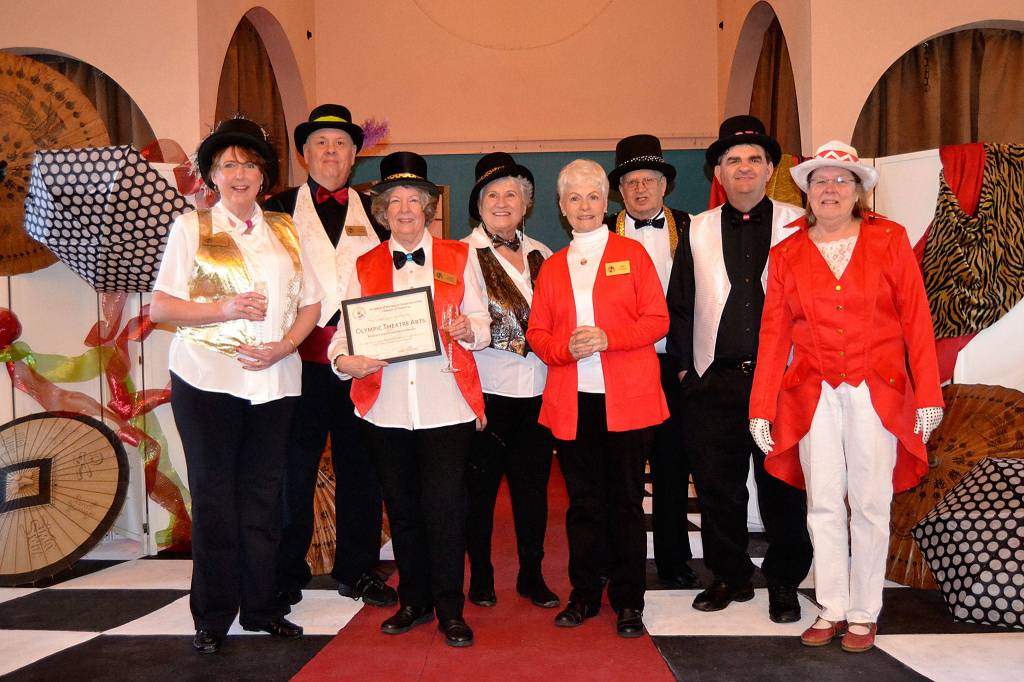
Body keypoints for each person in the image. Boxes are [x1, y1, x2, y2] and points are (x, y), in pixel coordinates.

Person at [748, 140, 944, 653]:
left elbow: (916, 322)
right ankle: (832, 606)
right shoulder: (786, 252)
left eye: (841, 180)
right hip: (814, 393)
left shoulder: (890, 240)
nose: (829, 189)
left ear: (858, 191)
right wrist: (761, 405)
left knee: (871, 502)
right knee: (823, 504)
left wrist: (928, 396)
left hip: (876, 390)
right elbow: (774, 335)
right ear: (806, 192)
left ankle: (864, 612)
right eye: (820, 181)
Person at [150, 117, 323, 653]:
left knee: (265, 498)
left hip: (275, 382)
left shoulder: (286, 229)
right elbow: (160, 307)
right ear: (212, 176)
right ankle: (213, 614)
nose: (240, 173)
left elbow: (312, 303)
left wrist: (285, 345)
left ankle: (262, 606)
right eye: (228, 164)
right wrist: (221, 308)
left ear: (263, 175)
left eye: (249, 163)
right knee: (215, 497)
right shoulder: (191, 228)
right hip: (208, 380)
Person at [327, 152, 491, 648]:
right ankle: (414, 601)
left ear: (428, 208)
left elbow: (483, 326)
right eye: (393, 201)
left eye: (412, 201)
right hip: (388, 408)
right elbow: (341, 337)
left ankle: (450, 609)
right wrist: (343, 363)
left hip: (447, 405)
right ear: (382, 212)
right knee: (402, 510)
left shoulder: (462, 258)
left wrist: (468, 329)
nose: (403, 209)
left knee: (444, 510)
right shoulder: (364, 264)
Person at [666, 115, 812, 623]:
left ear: (770, 169)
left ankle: (784, 582)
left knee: (781, 485)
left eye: (754, 159)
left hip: (781, 379)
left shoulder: (801, 221)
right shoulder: (698, 228)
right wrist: (686, 370)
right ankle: (730, 575)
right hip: (714, 380)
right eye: (733, 160)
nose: (744, 167)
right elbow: (680, 304)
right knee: (716, 486)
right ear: (719, 173)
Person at [527, 159, 668, 638]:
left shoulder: (633, 254)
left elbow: (658, 320)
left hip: (628, 397)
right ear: (562, 208)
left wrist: (610, 338)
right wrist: (563, 348)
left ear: (605, 202)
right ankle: (584, 594)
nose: (584, 206)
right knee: (583, 504)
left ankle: (629, 601)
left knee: (627, 502)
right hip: (574, 399)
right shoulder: (551, 267)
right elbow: (538, 334)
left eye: (592, 196)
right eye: (573, 198)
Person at [262, 104, 395, 613]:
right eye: (321, 143)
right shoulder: (274, 208)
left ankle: (358, 569)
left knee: (361, 468)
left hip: (360, 361)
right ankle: (285, 571)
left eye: (341, 143)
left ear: (356, 154)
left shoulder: (377, 211)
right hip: (295, 362)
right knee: (291, 469)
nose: (331, 152)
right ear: (304, 153)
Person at [462, 152, 559, 610]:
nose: (503, 202)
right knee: (478, 493)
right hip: (486, 393)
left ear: (526, 203)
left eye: (512, 194)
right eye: (493, 195)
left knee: (532, 490)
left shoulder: (545, 253)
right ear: (479, 206)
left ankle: (531, 574)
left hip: (539, 392)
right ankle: (480, 576)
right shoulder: (461, 255)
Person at [606, 134, 698, 589]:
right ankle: (619, 559)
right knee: (621, 471)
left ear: (665, 185)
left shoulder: (694, 227)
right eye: (631, 182)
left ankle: (674, 561)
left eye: (649, 180)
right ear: (620, 192)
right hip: (622, 366)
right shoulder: (601, 233)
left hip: (675, 366)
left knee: (673, 466)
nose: (640, 190)